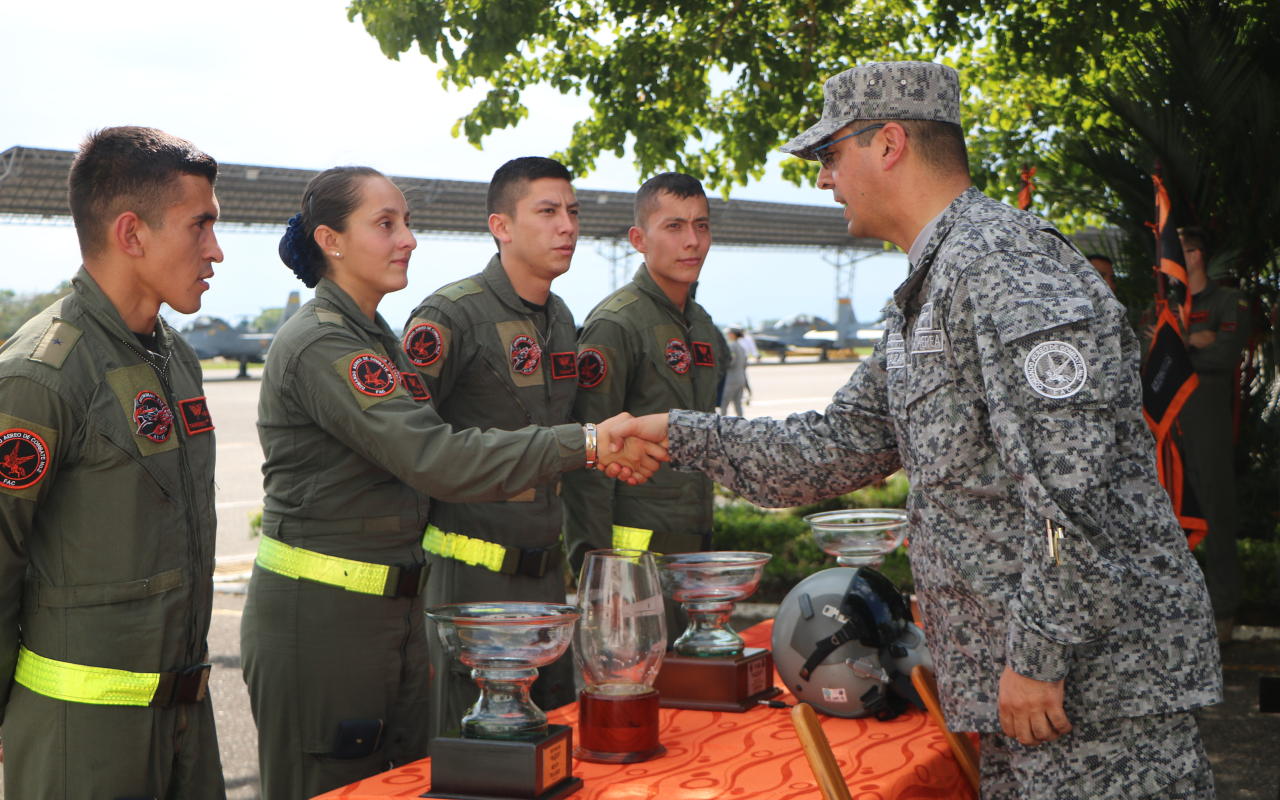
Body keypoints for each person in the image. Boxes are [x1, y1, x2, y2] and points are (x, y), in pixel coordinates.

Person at [609, 62, 1221, 799]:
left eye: (832, 157)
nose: (825, 181)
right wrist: (676, 433)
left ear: (889, 144)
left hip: (1092, 690)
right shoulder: (930, 287)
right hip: (1030, 694)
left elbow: (1075, 494)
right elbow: (832, 447)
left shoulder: (1004, 264)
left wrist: (1038, 656)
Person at [240, 166, 660, 798]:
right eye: (386, 224)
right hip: (325, 627)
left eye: (406, 222)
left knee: (413, 782)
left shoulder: (374, 337)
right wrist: (589, 441)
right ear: (331, 241)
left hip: (394, 615)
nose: (408, 238)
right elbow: (437, 457)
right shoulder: (324, 342)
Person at [0, 126, 227, 797]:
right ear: (132, 234)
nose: (215, 251)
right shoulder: (42, 375)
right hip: (84, 741)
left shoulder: (175, 357)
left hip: (187, 721)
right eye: (200, 226)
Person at [401, 157, 582, 742]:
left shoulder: (560, 318)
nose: (567, 228)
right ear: (500, 226)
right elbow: (408, 447)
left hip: (545, 580)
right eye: (548, 212)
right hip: (473, 584)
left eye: (573, 213)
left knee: (547, 739)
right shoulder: (451, 316)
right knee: (480, 748)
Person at [561, 172, 729, 576]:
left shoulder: (704, 328)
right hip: (633, 568)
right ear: (639, 240)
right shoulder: (615, 325)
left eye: (700, 225)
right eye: (674, 226)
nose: (692, 240)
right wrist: (598, 576)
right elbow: (587, 463)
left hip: (695, 559)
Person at [1140, 227, 1252, 642]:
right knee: (1162, 518)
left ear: (1197, 254)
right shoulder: (1160, 308)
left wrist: (1178, 346)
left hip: (1208, 428)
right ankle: (1170, 608)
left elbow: (1224, 354)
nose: (1168, 264)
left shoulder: (1228, 301)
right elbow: (1145, 355)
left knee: (1217, 515)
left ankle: (1223, 611)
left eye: (1177, 254)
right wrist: (1192, 343)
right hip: (1165, 430)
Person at [721, 326, 749, 416]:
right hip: (741, 378)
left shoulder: (732, 346)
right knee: (738, 403)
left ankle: (721, 423)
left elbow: (731, 362)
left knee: (724, 403)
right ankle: (742, 422)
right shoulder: (742, 348)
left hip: (731, 378)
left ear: (732, 335)